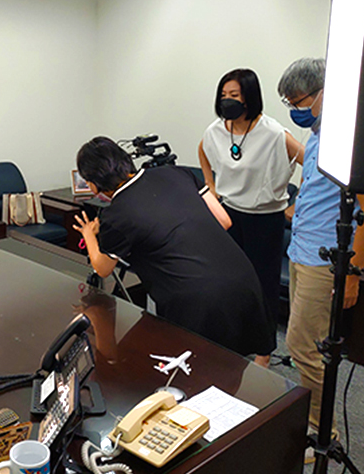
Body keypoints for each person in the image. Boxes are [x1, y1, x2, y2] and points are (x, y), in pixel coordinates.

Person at [72, 136, 275, 362]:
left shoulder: (116, 215)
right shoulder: (175, 172)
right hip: (243, 277)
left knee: (206, 369)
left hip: (199, 298)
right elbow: (224, 221)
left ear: (93, 184)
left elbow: (102, 268)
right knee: (239, 361)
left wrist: (88, 233)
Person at [278, 58, 364, 461]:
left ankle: (323, 430)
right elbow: (317, 188)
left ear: (326, 92)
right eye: (289, 102)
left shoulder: (360, 139)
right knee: (303, 345)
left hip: (327, 263)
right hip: (302, 252)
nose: (295, 108)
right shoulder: (320, 137)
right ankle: (310, 420)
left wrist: (354, 273)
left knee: (304, 346)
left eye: (298, 100)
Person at [198, 68, 304, 363]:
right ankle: (234, 341)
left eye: (234, 95)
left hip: (265, 219)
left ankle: (264, 351)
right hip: (229, 214)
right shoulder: (216, 130)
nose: (227, 100)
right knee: (230, 281)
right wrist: (210, 186)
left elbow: (311, 162)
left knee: (262, 287)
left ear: (250, 98)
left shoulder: (273, 133)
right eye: (223, 95)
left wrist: (298, 203)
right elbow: (203, 151)